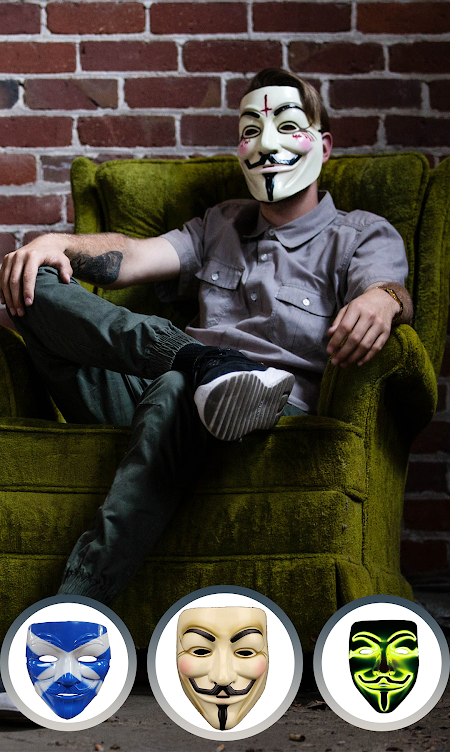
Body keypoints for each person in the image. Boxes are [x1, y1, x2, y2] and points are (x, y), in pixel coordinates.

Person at [0, 68, 413, 610]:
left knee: (176, 388)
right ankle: (200, 359)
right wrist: (55, 243)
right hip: (158, 382)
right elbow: (132, 256)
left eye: (288, 127)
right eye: (250, 131)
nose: (265, 144)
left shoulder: (360, 234)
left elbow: (389, 288)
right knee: (34, 282)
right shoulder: (220, 224)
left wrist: (384, 300)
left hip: (258, 409)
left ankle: (78, 605)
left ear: (324, 145)